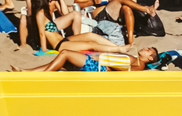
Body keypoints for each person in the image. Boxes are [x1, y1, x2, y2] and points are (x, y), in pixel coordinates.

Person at [12, 47, 159, 72]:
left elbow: (122, 69)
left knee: (64, 54)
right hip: (97, 63)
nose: (145, 49)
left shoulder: (137, 64)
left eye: (148, 50)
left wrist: (102, 59)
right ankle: (27, 71)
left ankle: (42, 75)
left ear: (150, 58)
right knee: (60, 65)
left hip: (96, 66)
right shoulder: (135, 61)